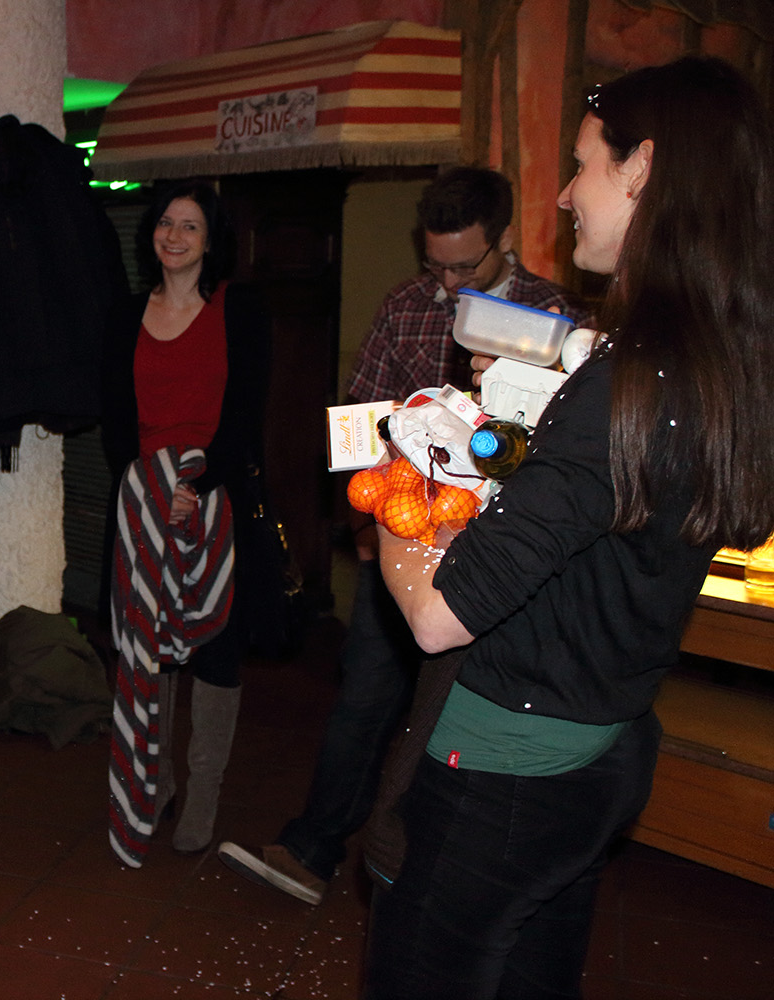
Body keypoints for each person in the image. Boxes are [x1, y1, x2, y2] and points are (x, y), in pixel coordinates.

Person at [363, 56, 774, 998]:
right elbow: (605, 519)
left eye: (583, 165)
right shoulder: (720, 360)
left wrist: (395, 484)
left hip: (506, 773)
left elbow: (437, 617)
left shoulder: (627, 384)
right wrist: (522, 427)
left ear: (642, 170)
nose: (562, 194)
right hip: (604, 748)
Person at [219, 167, 590, 905]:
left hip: (502, 557)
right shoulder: (405, 305)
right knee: (365, 695)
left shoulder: (553, 317)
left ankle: (436, 876)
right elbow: (360, 417)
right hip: (404, 536)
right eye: (435, 265)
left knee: (458, 716)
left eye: (464, 266)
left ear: (503, 240)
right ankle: (314, 848)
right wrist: (364, 521)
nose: (447, 284)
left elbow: (570, 453)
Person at [101, 181, 267, 864]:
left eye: (190, 226)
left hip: (215, 500)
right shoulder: (125, 314)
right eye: (166, 223)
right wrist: (153, 487)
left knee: (216, 649)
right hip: (143, 503)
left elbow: (247, 415)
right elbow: (115, 422)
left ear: (210, 239)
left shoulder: (239, 311)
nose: (174, 236)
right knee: (150, 643)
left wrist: (195, 484)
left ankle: (203, 795)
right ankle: (159, 779)